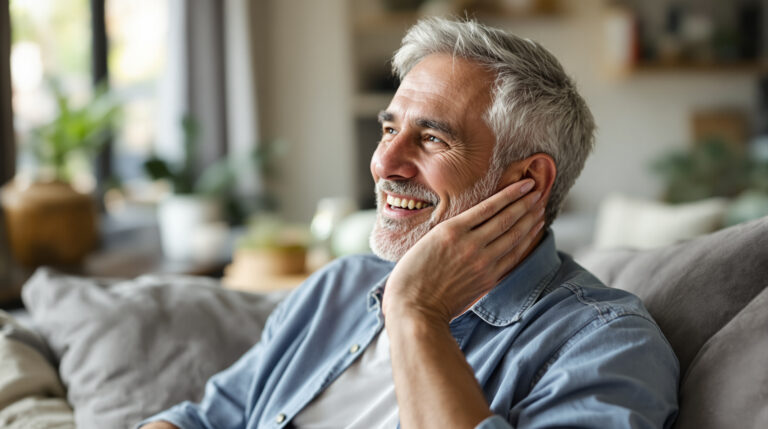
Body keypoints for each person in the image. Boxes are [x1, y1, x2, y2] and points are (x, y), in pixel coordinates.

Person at [141, 18, 678, 429]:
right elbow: (207, 419)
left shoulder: (605, 344)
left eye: (432, 139)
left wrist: (415, 311)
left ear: (529, 182)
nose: (384, 165)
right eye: (388, 129)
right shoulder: (338, 287)